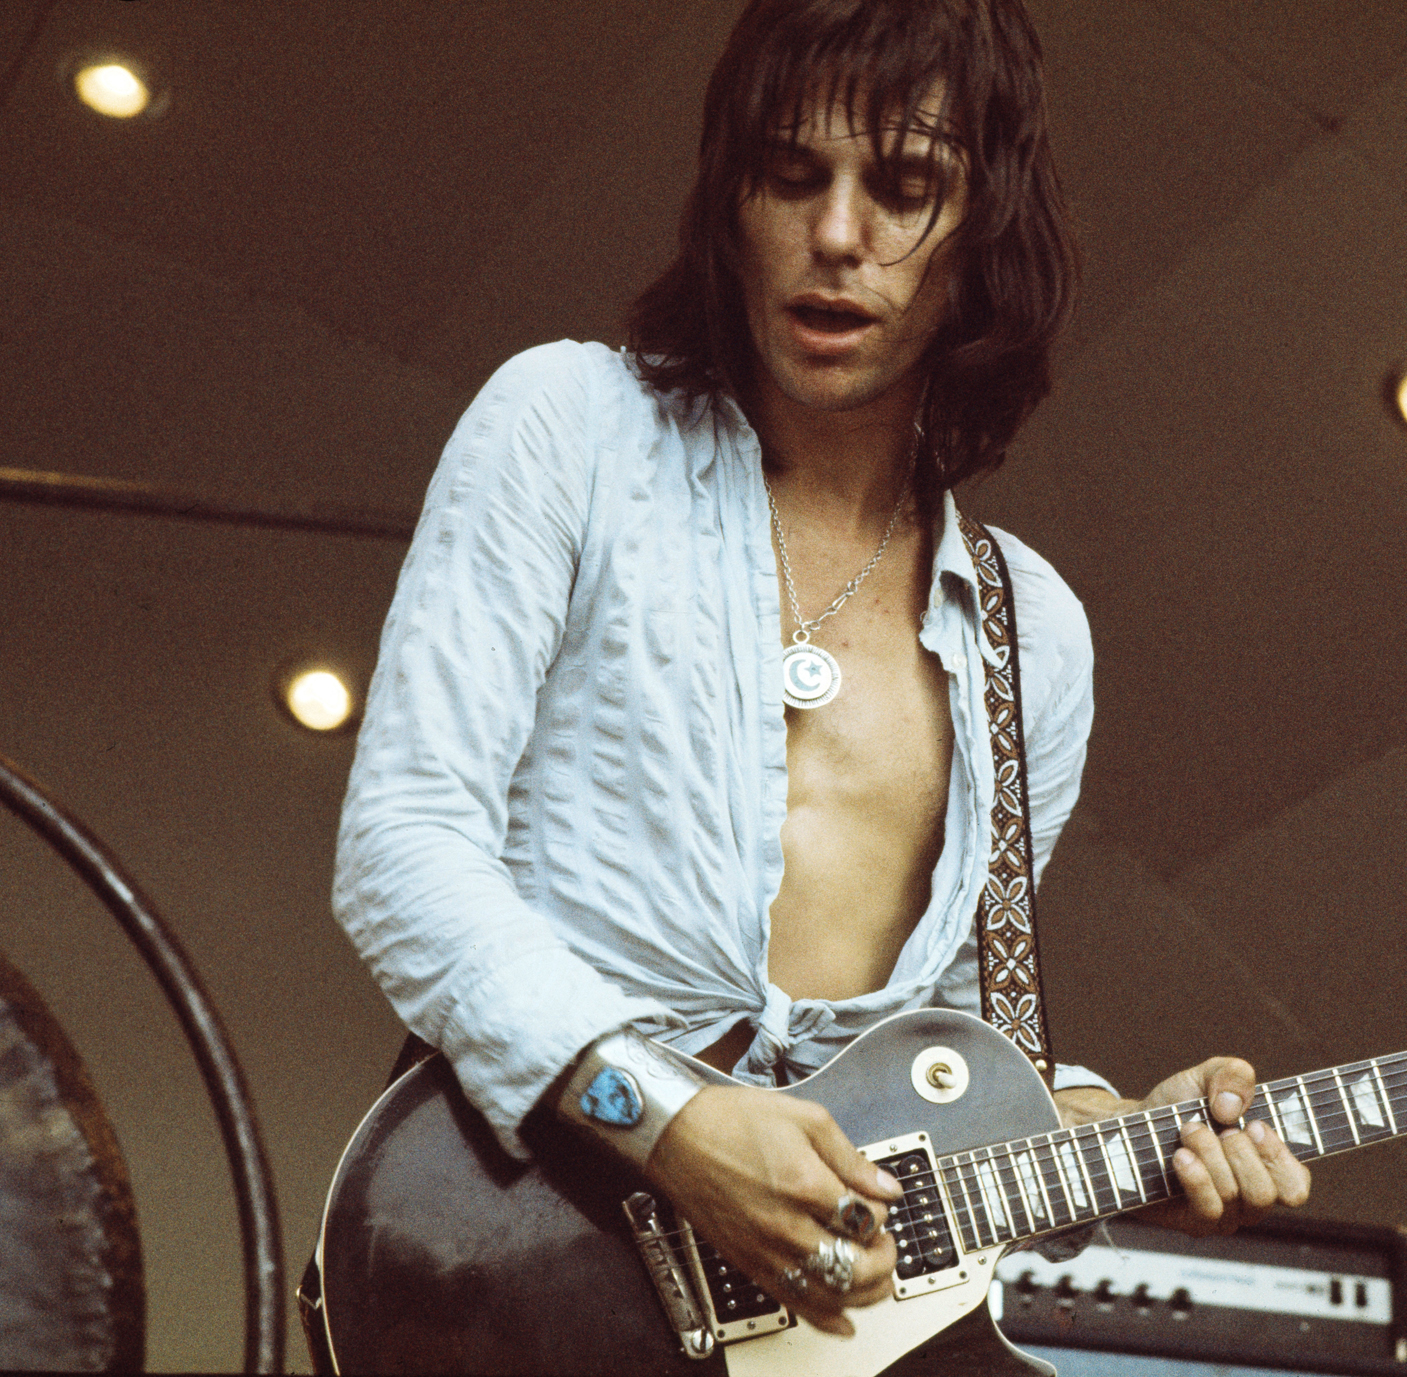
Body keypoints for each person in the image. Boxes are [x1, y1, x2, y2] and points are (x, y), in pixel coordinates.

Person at [332, 0, 1309, 1358]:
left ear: (987, 232)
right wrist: (668, 1124)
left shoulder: (1037, 635)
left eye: (904, 186)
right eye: (794, 174)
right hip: (521, 1260)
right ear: (731, 197)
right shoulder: (571, 429)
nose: (837, 234)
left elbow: (951, 1057)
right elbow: (401, 848)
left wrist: (1118, 1122)